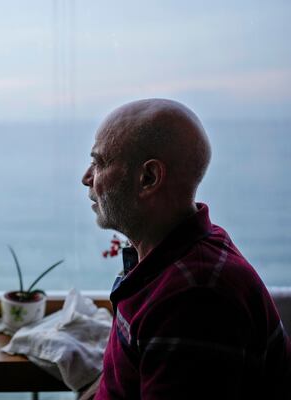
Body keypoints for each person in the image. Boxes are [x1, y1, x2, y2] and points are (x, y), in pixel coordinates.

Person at [81, 99, 291, 399]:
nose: (87, 178)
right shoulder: (167, 259)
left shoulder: (195, 297)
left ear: (148, 178)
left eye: (99, 163)